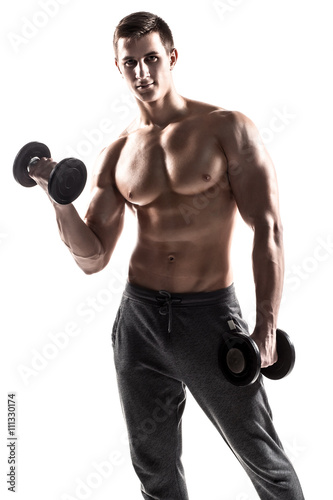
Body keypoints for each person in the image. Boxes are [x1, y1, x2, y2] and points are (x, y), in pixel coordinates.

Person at [28, 11, 304, 500]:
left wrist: (264, 326)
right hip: (138, 323)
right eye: (129, 62)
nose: (142, 73)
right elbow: (92, 257)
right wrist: (58, 199)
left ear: (172, 57)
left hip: (210, 320)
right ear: (118, 68)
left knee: (266, 464)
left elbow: (269, 228)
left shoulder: (226, 128)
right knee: (155, 474)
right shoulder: (117, 155)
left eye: (152, 58)